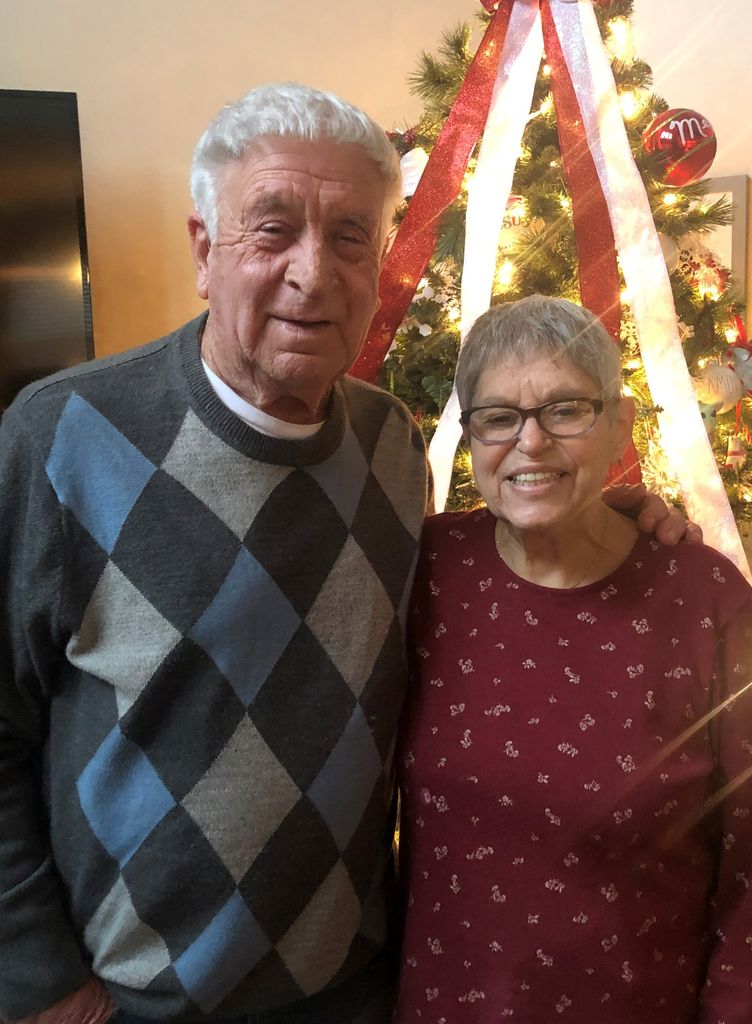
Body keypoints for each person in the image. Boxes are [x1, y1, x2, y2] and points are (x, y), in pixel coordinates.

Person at [0, 85, 691, 1024]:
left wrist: (606, 519)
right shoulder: (62, 437)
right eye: (272, 229)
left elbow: (480, 581)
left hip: (353, 990)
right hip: (131, 1003)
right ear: (204, 251)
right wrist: (43, 984)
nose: (313, 272)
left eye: (351, 237)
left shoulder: (393, 445)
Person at [394, 295, 752, 1024]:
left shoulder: (702, 598)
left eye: (565, 410)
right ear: (471, 435)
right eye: (498, 417)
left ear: (619, 425)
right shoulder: (427, 572)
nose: (530, 442)